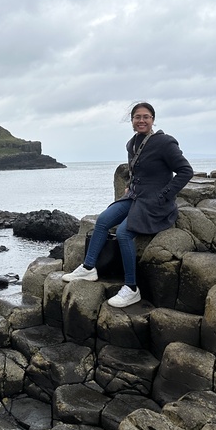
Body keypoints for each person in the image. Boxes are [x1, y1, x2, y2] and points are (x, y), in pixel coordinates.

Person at [62, 102, 193, 307]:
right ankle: (89, 268)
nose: (141, 120)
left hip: (155, 202)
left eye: (146, 117)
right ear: (132, 121)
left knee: (123, 233)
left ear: (152, 120)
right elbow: (136, 170)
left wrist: (165, 195)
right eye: (137, 117)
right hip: (134, 196)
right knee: (103, 221)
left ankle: (131, 288)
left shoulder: (165, 143)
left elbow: (186, 171)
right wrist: (129, 186)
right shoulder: (131, 143)